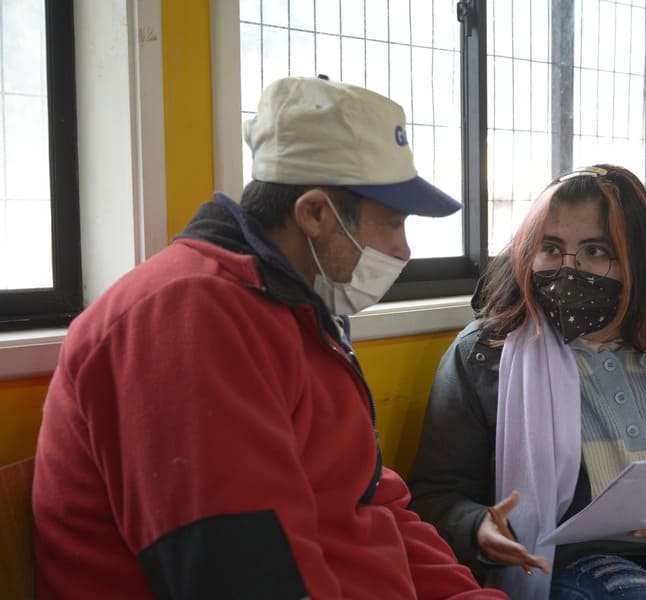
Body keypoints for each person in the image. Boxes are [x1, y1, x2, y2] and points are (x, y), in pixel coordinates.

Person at [32, 76, 507, 599]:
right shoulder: (189, 319)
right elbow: (242, 573)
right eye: (392, 223)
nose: (404, 249)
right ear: (315, 213)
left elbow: (370, 501)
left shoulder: (299, 312)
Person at [408, 164, 646, 599]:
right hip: (567, 564)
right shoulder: (485, 355)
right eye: (550, 248)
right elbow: (437, 495)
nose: (569, 269)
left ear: (640, 259)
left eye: (596, 250)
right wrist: (478, 529)